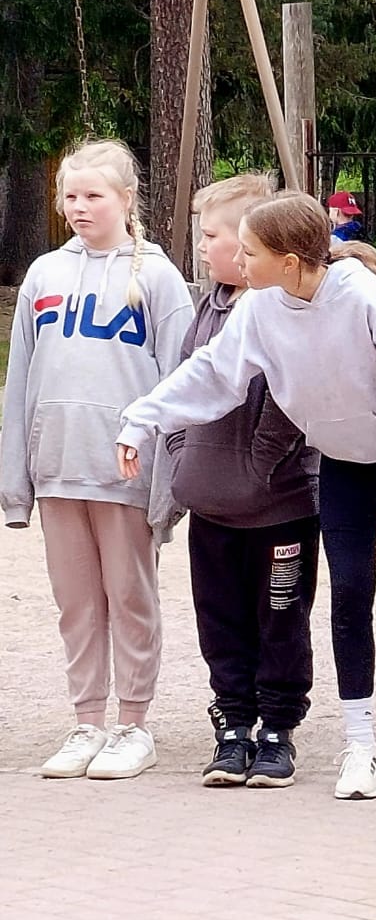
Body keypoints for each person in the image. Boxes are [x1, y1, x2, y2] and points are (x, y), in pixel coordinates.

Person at [118, 193, 376, 801]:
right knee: (350, 595)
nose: (239, 261)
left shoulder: (370, 301)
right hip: (344, 462)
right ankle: (361, 745)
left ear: (289, 261)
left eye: (249, 252)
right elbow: (213, 373)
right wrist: (142, 418)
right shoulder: (262, 307)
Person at [4, 139, 195, 781]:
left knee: (130, 596)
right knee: (77, 603)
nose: (79, 207)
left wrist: (169, 479)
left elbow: (182, 383)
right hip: (58, 466)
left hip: (125, 472)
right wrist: (16, 478)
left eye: (93, 195)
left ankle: (133, 725)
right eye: (70, 196)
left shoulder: (159, 278)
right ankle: (87, 720)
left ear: (126, 198)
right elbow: (20, 379)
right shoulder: (43, 275)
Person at [169, 173, 321, 789]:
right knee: (219, 618)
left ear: (254, 241)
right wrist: (183, 458)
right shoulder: (206, 308)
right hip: (212, 507)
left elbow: (293, 398)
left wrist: (259, 469)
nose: (203, 247)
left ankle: (278, 729)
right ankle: (232, 724)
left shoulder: (288, 310)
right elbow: (182, 386)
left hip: (281, 508)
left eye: (212, 235)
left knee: (280, 616)